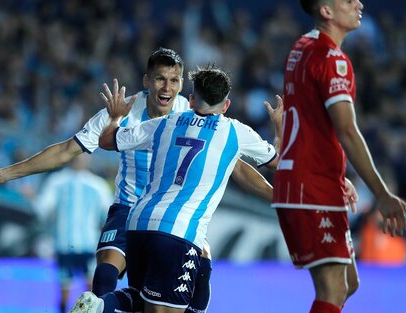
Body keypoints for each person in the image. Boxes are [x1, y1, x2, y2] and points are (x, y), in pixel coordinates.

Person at [0, 48, 274, 313]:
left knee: (151, 299)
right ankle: (97, 305)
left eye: (173, 80)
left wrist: (274, 195)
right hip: (129, 210)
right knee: (106, 275)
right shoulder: (125, 111)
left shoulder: (190, 111)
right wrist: (7, 173)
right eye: (160, 79)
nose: (166, 87)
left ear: (183, 85)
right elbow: (67, 150)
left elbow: (235, 166)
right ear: (147, 81)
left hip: (171, 219)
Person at [69, 64, 281, 313]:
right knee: (167, 308)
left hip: (139, 224)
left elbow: (107, 140)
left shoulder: (165, 123)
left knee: (144, 299)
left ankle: (101, 305)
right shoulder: (235, 132)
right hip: (179, 232)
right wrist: (279, 132)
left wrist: (116, 117)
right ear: (226, 105)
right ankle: (100, 308)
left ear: (191, 100)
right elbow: (280, 164)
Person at [271, 1, 406, 313]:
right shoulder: (333, 59)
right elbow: (346, 130)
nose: (359, 3)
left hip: (304, 181)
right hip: (311, 186)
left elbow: (311, 122)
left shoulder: (300, 48)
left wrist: (336, 172)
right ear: (326, 11)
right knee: (332, 288)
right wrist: (382, 193)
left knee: (348, 282)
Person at [35, 154, 112, 313]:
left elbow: (108, 214)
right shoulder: (57, 181)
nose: (81, 159)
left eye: (84, 155)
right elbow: (42, 208)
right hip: (65, 244)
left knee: (92, 287)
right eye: (78, 154)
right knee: (64, 287)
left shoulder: (98, 185)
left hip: (88, 245)